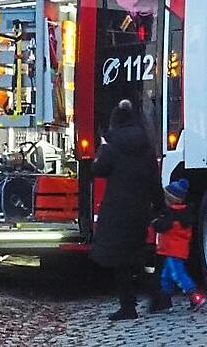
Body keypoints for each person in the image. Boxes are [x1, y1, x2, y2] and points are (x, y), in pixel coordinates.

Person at [90, 99, 165, 321]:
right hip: (140, 209)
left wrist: (103, 147)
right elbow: (154, 180)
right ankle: (156, 296)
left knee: (120, 261)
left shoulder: (112, 144)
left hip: (117, 209)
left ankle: (128, 306)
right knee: (136, 258)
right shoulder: (146, 144)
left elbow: (98, 169)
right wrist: (159, 207)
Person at [153, 178, 206, 311]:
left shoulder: (171, 215)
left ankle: (194, 296)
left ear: (170, 200)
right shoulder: (184, 213)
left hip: (171, 250)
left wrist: (154, 220)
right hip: (177, 250)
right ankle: (164, 301)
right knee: (166, 276)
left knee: (178, 275)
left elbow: (160, 227)